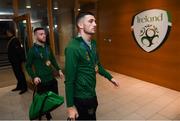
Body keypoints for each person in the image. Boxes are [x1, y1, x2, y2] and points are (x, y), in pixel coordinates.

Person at [65, 11, 120, 120]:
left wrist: (110, 77)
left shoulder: (93, 44)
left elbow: (97, 65)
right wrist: (70, 106)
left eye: (95, 21)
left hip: (91, 93)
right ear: (80, 25)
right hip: (81, 97)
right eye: (90, 21)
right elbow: (69, 81)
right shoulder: (73, 48)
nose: (95, 24)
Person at [26, 27, 64, 120]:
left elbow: (52, 60)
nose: (44, 36)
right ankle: (45, 114)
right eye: (41, 34)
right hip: (41, 81)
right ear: (35, 36)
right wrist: (34, 77)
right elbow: (28, 66)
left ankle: (47, 111)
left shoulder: (47, 47)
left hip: (51, 78)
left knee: (52, 99)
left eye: (44, 34)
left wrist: (58, 70)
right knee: (43, 100)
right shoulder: (32, 50)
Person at [6, 27, 27, 95]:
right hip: (14, 61)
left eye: (7, 32)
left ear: (10, 32)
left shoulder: (15, 40)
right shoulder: (11, 39)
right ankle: (19, 86)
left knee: (20, 74)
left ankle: (24, 87)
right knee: (17, 74)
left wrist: (22, 59)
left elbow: (19, 51)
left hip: (17, 61)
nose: (7, 34)